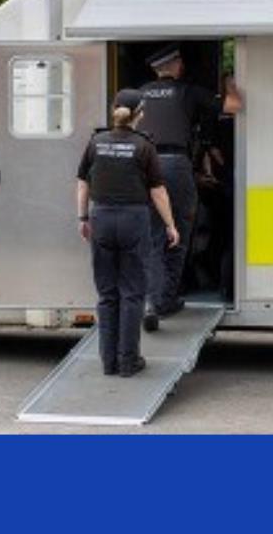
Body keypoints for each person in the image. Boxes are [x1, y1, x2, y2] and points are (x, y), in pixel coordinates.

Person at [137, 43, 243, 331]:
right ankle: (165, 300)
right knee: (177, 233)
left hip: (141, 164)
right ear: (176, 65)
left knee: (152, 235)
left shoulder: (140, 93)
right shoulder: (188, 91)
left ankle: (147, 300)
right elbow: (235, 106)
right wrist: (229, 81)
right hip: (174, 164)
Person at [76, 89, 180, 377]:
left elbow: (83, 183)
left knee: (107, 295)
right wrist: (171, 225)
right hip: (134, 220)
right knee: (133, 294)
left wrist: (83, 217)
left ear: (115, 109)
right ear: (140, 114)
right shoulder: (144, 147)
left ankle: (108, 362)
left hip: (102, 219)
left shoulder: (95, 142)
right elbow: (157, 191)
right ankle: (128, 361)